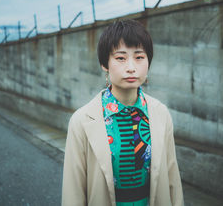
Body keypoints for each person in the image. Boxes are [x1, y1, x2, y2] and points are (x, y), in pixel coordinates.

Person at [62, 20, 184, 206]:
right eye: (120, 58)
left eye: (139, 57)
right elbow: (73, 190)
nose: (131, 67)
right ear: (105, 63)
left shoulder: (160, 113)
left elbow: (172, 176)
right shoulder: (81, 120)